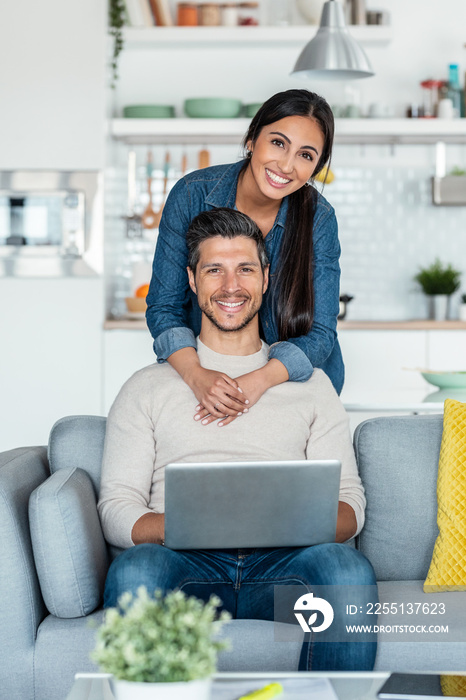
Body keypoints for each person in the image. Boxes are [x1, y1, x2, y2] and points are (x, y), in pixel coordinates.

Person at [99, 208, 377, 672]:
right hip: (187, 575)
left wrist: (285, 522)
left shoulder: (310, 386)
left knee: (346, 572)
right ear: (191, 280)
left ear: (266, 278)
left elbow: (351, 507)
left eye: (245, 269)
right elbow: (116, 509)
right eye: (214, 270)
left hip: (283, 580)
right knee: (136, 571)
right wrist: (195, 525)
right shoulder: (146, 387)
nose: (231, 286)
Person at [145, 89, 344, 430]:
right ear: (252, 138)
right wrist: (196, 376)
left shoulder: (319, 218)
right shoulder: (193, 194)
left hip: (291, 381)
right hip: (208, 380)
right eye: (278, 143)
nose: (286, 165)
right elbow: (164, 308)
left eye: (306, 155)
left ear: (315, 168)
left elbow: (321, 334)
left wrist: (257, 381)